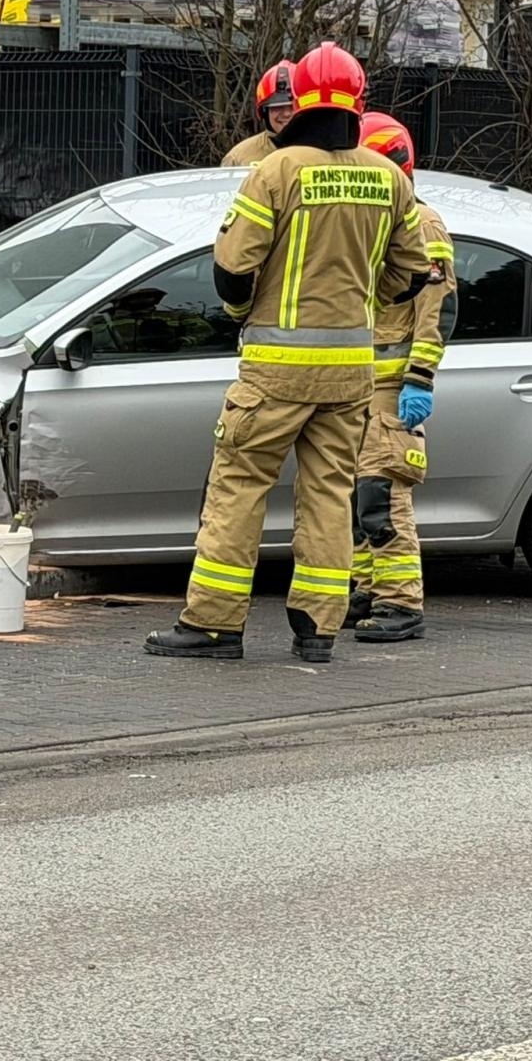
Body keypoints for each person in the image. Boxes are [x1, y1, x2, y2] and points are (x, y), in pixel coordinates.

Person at [145, 43, 430, 665]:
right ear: (359, 101)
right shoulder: (386, 177)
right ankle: (317, 630)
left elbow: (231, 269)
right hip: (353, 372)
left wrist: (244, 316)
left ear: (296, 99)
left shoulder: (275, 171)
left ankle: (215, 626)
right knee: (329, 494)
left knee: (238, 490)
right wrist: (366, 298)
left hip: (275, 369)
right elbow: (412, 274)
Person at [349, 111, 459, 643]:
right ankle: (368, 589)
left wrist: (420, 377)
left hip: (392, 390)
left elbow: (438, 310)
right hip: (359, 387)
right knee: (357, 497)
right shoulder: (377, 221)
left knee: (382, 495)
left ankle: (400, 602)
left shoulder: (422, 224)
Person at [220, 60, 296, 167]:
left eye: (294, 105)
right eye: (277, 107)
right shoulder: (238, 158)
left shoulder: (324, 151)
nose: (287, 113)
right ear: (264, 111)